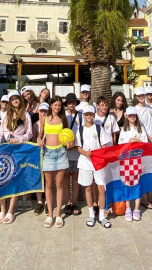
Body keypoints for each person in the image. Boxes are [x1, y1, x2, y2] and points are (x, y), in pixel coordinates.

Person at [0, 88, 33, 224]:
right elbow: (1, 132)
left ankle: (10, 210)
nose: (15, 101)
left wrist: (19, 139)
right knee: (2, 178)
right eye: (12, 99)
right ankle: (2, 209)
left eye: (16, 98)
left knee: (14, 178)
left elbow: (29, 133)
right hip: (5, 149)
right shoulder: (6, 115)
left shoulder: (26, 115)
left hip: (19, 150)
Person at [76, 103, 113, 228]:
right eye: (86, 114)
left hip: (98, 163)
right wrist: (85, 153)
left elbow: (104, 144)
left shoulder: (98, 128)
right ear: (83, 115)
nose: (89, 116)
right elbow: (78, 147)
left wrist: (100, 155)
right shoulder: (80, 130)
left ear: (93, 114)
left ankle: (102, 216)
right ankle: (91, 214)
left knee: (101, 188)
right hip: (85, 163)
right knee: (88, 188)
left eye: (91, 114)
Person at [39, 96, 71, 228]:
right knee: (48, 184)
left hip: (61, 153)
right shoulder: (44, 119)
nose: (57, 107)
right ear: (50, 105)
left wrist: (70, 143)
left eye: (59, 105)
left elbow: (68, 135)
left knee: (59, 184)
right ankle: (49, 215)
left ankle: (58, 215)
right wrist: (39, 140)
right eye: (55, 105)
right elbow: (40, 135)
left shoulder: (63, 119)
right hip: (48, 154)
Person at [118, 107, 149, 221]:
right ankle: (127, 208)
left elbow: (145, 144)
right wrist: (128, 142)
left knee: (137, 183)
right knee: (126, 183)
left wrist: (137, 142)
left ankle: (136, 208)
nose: (132, 117)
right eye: (130, 115)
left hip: (138, 160)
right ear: (127, 116)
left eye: (134, 115)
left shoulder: (140, 129)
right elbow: (120, 145)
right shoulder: (124, 130)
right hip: (126, 161)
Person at [63, 93, 82, 216]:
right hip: (64, 150)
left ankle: (74, 202)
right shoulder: (63, 115)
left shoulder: (81, 115)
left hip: (77, 150)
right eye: (69, 102)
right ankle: (67, 202)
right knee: (65, 177)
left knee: (75, 177)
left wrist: (76, 145)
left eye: (73, 102)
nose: (71, 104)